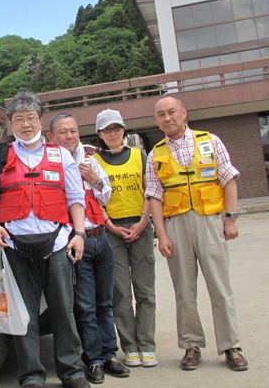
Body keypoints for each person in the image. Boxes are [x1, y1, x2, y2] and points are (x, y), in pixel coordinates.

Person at [0, 92, 89, 388]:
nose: (25, 124)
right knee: (22, 313)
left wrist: (79, 234)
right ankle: (31, 376)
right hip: (15, 244)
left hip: (56, 244)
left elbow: (77, 197)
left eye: (30, 118)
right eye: (19, 119)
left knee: (63, 311)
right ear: (10, 123)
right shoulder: (1, 154)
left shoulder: (61, 154)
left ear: (39, 119)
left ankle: (72, 371)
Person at [145, 96, 248, 372]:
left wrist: (230, 218)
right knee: (184, 291)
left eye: (171, 112)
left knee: (220, 287)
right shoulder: (155, 153)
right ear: (156, 120)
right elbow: (154, 196)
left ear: (184, 113)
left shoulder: (210, 141)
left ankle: (231, 346)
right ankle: (191, 346)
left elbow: (228, 179)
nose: (167, 118)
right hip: (176, 225)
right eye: (161, 115)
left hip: (209, 221)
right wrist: (161, 235)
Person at [48, 113, 129, 385]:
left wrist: (95, 179)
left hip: (100, 237)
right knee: (84, 305)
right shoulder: (51, 163)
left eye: (73, 130)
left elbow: (107, 195)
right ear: (52, 137)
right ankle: (92, 358)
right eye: (63, 132)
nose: (70, 136)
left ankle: (110, 354)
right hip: (75, 240)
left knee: (105, 301)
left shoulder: (91, 160)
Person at [91, 109, 157, 369]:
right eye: (107, 130)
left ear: (124, 130)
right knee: (119, 292)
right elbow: (94, 196)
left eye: (117, 128)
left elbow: (150, 190)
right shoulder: (95, 160)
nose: (113, 133)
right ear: (99, 134)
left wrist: (143, 221)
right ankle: (129, 346)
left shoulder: (140, 156)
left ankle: (147, 345)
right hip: (111, 229)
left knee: (145, 290)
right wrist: (109, 225)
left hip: (141, 224)